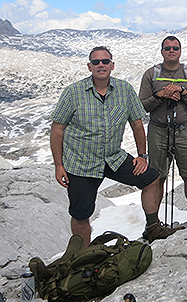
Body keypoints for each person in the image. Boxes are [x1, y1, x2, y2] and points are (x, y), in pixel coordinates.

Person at [50, 46, 176, 246]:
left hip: (112, 157)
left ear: (112, 65)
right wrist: (59, 165)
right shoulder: (73, 93)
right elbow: (57, 129)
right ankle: (82, 255)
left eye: (105, 61)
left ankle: (153, 228)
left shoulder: (124, 90)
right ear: (89, 66)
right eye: (96, 62)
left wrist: (142, 155)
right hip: (82, 163)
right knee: (81, 214)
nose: (101, 65)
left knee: (151, 179)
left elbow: (136, 123)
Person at [139, 36, 187, 228]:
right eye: (168, 48)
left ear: (180, 51)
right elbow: (141, 106)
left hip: (184, 129)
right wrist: (160, 95)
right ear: (162, 51)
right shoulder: (151, 74)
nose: (172, 51)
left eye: (175, 48)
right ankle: (152, 224)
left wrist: (183, 93)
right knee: (156, 177)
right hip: (158, 130)